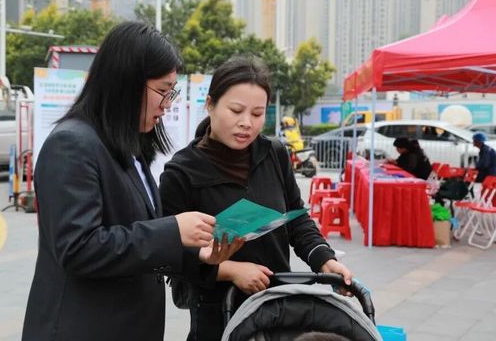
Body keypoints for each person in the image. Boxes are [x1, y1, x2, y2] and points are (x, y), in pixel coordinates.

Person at [21, 22, 243, 341]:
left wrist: (199, 255)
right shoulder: (71, 145)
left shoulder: (128, 147)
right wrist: (173, 230)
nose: (167, 104)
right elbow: (78, 248)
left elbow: (136, 240)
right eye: (163, 91)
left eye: (172, 93)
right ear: (126, 83)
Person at [159, 56, 353, 341]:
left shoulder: (274, 154)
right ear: (210, 104)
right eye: (236, 110)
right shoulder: (182, 171)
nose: (246, 123)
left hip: (275, 308)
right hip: (216, 314)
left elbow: (296, 219)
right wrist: (229, 270)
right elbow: (169, 254)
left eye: (257, 113)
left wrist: (324, 259)